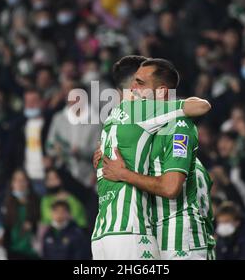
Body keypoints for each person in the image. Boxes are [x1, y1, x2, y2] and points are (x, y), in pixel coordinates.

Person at [92, 56, 211, 260]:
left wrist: (124, 174)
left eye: (140, 82)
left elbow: (170, 188)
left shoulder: (177, 126)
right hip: (149, 231)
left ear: (162, 90)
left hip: (179, 239)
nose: (133, 87)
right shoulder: (138, 124)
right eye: (133, 81)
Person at [46, 84, 101, 187]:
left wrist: (80, 151)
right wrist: (57, 150)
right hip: (63, 175)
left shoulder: (95, 122)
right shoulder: (58, 119)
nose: (73, 101)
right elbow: (50, 146)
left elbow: (99, 152)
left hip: (87, 177)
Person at [7, 89, 52, 195]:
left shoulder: (51, 122)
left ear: (42, 102)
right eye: (27, 101)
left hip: (46, 177)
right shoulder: (18, 125)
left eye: (34, 101)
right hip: (26, 178)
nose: (30, 105)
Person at [3, 169, 39, 260]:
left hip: (33, 253)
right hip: (13, 252)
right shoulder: (5, 205)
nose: (20, 183)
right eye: (16, 180)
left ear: (28, 183)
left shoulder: (37, 202)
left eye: (23, 180)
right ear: (12, 183)